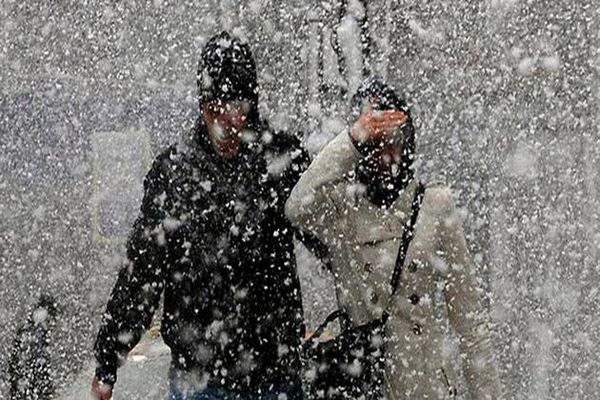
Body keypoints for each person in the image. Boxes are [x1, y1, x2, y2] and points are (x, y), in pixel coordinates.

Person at [91, 31, 308, 400]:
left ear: (251, 104)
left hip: (274, 373)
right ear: (201, 105)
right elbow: (143, 273)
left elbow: (330, 232)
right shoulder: (173, 173)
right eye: (214, 109)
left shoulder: (282, 161)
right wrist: (108, 359)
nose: (225, 121)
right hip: (202, 379)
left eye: (236, 107)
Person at [285, 77, 502, 399]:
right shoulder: (341, 208)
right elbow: (295, 207)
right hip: (364, 382)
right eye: (374, 143)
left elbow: (469, 324)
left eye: (394, 140)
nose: (385, 155)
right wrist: (353, 138)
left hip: (426, 386)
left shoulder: (435, 205)